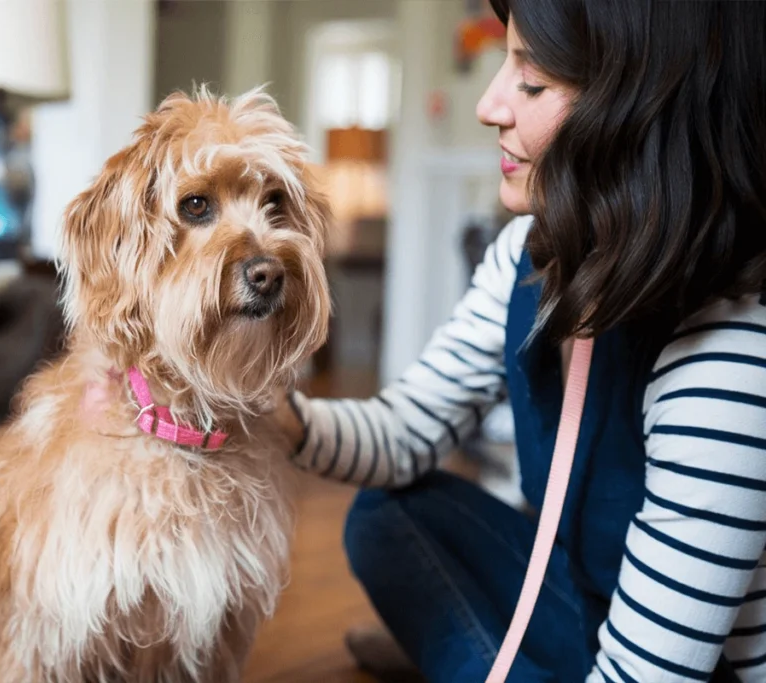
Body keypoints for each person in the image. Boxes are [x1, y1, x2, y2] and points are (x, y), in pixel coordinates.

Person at [274, 0, 766, 680]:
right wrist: (272, 415)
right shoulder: (528, 256)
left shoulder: (728, 351)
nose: (488, 105)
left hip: (687, 667)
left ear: (638, 108)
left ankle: (456, 651)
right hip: (585, 604)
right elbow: (404, 431)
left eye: (531, 82)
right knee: (390, 512)